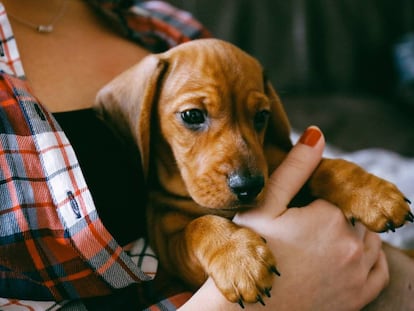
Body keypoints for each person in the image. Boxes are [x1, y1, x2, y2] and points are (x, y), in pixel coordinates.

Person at [0, 1, 413, 310]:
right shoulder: (171, 203)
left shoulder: (162, 25)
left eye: (258, 116)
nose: (241, 169)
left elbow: (286, 160)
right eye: (194, 117)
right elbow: (180, 238)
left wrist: (337, 177)